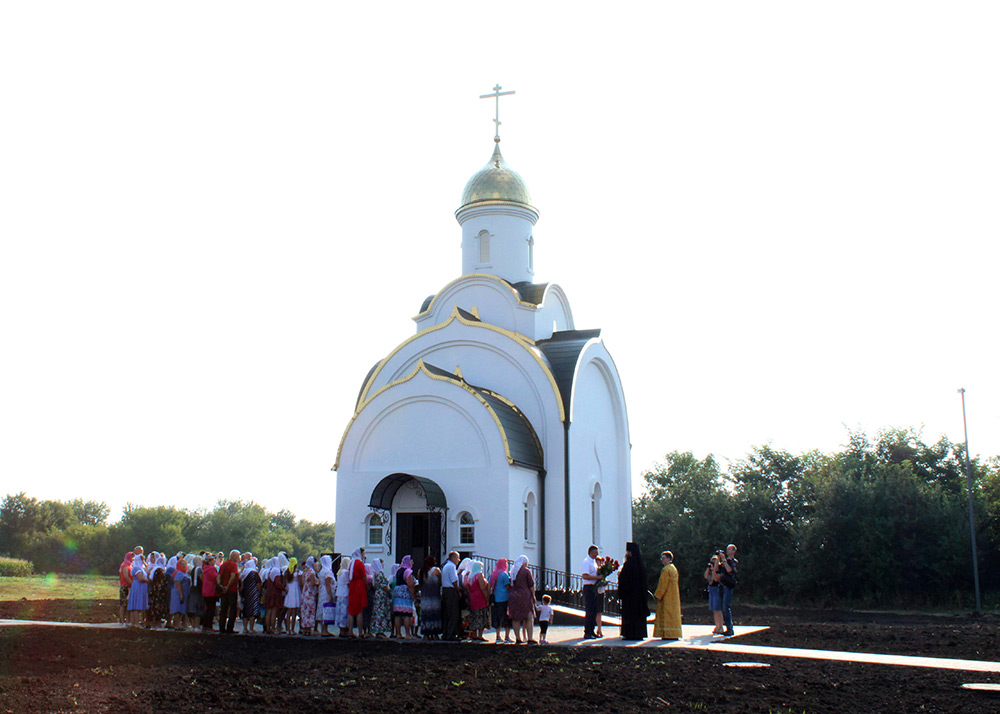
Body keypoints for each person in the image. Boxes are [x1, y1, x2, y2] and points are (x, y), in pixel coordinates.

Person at [618, 542, 649, 640]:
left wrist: (620, 576)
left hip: (629, 596)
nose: (627, 554)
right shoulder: (640, 565)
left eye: (628, 552)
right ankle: (639, 633)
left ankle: (630, 634)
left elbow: (624, 579)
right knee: (638, 616)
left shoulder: (629, 564)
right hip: (639, 596)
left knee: (630, 615)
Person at [507, 555, 536, 644]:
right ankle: (530, 638)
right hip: (525, 595)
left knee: (516, 618)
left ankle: (518, 638)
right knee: (529, 616)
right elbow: (531, 585)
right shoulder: (526, 571)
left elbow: (510, 584)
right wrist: (534, 596)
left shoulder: (512, 571)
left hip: (514, 596)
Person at [654, 551, 682, 640]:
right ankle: (674, 633)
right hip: (674, 596)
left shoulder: (666, 570)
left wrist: (658, 595)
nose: (662, 560)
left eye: (664, 558)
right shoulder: (673, 568)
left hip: (667, 596)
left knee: (666, 614)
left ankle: (667, 634)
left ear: (669, 559)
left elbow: (663, 584)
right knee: (673, 615)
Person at [392, 555, 417, 639]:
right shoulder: (408, 571)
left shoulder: (398, 570)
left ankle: (398, 633)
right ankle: (408, 634)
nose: (412, 563)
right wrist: (413, 596)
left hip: (397, 592)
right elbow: (410, 585)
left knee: (398, 614)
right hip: (405, 593)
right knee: (407, 614)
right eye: (411, 561)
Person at [489, 558, 513, 643]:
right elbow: (507, 586)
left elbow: (490, 585)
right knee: (507, 618)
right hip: (505, 598)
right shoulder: (504, 574)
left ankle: (498, 636)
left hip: (496, 598)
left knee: (497, 617)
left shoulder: (493, 574)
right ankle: (507, 636)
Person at [418, 556, 442, 639]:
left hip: (425, 597)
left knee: (426, 614)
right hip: (435, 596)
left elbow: (420, 583)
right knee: (435, 614)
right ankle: (435, 632)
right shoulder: (436, 570)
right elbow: (440, 582)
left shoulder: (421, 571)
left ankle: (426, 632)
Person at [581, 544, 602, 639]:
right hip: (588, 587)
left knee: (594, 610)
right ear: (591, 552)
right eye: (595, 553)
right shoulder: (587, 562)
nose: (596, 555)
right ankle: (587, 631)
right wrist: (597, 577)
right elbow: (585, 575)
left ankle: (592, 630)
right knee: (589, 610)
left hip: (594, 587)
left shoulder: (593, 562)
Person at [217, 549, 240, 634]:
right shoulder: (233, 565)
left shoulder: (224, 564)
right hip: (231, 589)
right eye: (238, 556)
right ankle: (230, 628)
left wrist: (220, 585)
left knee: (223, 609)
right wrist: (227, 586)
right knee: (232, 609)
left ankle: (221, 627)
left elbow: (218, 576)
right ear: (234, 556)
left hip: (223, 589)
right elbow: (233, 576)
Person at [347, 548, 368, 638]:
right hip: (359, 586)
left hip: (352, 585)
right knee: (359, 609)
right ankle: (360, 632)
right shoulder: (360, 564)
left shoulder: (351, 563)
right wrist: (367, 586)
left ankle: (350, 631)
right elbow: (364, 576)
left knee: (351, 610)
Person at [369, 558, 393, 638]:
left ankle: (381, 630)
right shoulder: (379, 574)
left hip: (379, 595)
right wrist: (389, 592)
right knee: (380, 612)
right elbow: (383, 585)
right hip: (381, 595)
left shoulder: (376, 574)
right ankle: (379, 631)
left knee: (381, 612)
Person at [467, 561, 490, 641]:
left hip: (473, 596)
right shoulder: (479, 575)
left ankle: (474, 634)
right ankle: (480, 635)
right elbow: (482, 587)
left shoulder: (470, 576)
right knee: (481, 614)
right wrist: (487, 598)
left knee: (474, 615)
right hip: (480, 597)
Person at [440, 551, 461, 640]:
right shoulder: (451, 567)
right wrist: (458, 591)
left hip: (445, 590)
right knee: (453, 613)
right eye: (457, 558)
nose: (458, 560)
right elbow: (454, 581)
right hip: (450, 591)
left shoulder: (445, 566)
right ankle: (451, 634)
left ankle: (445, 633)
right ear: (453, 558)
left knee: (447, 613)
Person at [720, 544, 738, 637]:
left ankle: (730, 629)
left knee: (726, 607)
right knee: (722, 608)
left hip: (728, 586)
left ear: (734, 551)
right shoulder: (725, 561)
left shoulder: (733, 561)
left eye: (729, 549)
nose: (727, 551)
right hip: (722, 586)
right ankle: (726, 627)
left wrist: (723, 560)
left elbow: (730, 570)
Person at [240, 557, 262, 635]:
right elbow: (258, 584)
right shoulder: (254, 573)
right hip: (253, 594)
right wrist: (260, 592)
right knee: (252, 611)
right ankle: (251, 628)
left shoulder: (244, 573)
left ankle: (245, 628)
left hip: (245, 594)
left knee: (245, 611)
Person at [126, 553, 149, 627]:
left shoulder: (141, 568)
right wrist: (149, 581)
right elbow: (140, 578)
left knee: (137, 604)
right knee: (136, 605)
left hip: (140, 587)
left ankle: (134, 622)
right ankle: (135, 622)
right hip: (138, 586)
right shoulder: (136, 568)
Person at [704, 554, 724, 634]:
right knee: (714, 609)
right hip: (711, 589)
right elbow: (706, 576)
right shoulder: (711, 570)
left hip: (717, 589)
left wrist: (713, 570)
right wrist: (709, 568)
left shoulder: (720, 570)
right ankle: (717, 625)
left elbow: (716, 579)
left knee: (718, 609)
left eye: (715, 560)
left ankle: (721, 626)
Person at [318, 555, 336, 637]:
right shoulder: (328, 572)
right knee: (326, 609)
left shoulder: (322, 571)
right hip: (326, 592)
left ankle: (323, 629)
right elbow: (328, 584)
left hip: (322, 591)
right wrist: (331, 596)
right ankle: (324, 629)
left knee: (323, 609)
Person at [299, 556, 318, 636]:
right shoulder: (311, 572)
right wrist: (318, 583)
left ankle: (305, 629)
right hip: (310, 593)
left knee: (305, 611)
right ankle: (309, 630)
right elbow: (313, 583)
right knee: (310, 611)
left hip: (304, 593)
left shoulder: (304, 571)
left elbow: (303, 583)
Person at [170, 558, 191, 631]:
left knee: (182, 609)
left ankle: (181, 624)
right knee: (177, 609)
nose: (184, 565)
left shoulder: (184, 573)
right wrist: (181, 594)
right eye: (182, 564)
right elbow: (178, 584)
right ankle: (177, 625)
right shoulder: (178, 573)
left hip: (184, 593)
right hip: (178, 593)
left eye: (185, 564)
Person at [187, 555, 206, 630]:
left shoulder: (192, 569)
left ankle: (193, 625)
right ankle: (197, 625)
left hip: (193, 589)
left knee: (192, 608)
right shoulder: (200, 570)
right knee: (198, 608)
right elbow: (202, 579)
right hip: (198, 590)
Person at [201, 554, 219, 631]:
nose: (214, 561)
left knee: (207, 608)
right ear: (210, 561)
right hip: (211, 591)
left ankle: (205, 625)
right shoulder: (212, 569)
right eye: (213, 560)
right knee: (211, 609)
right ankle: (209, 626)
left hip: (205, 591)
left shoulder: (205, 569)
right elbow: (216, 578)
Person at [283, 557, 301, 635]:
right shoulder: (298, 573)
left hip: (289, 591)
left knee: (288, 612)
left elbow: (284, 584)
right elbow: (300, 584)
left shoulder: (286, 572)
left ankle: (288, 629)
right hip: (296, 591)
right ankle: (292, 629)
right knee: (294, 612)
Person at [118, 552, 134, 625]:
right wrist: (133, 584)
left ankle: (128, 620)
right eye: (132, 557)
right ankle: (121, 620)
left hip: (129, 586)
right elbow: (126, 576)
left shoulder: (131, 565)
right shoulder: (124, 565)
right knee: (123, 604)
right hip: (125, 586)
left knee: (128, 604)